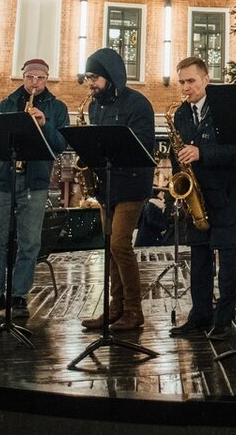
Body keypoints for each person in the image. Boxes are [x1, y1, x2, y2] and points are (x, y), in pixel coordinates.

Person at [0, 58, 68, 321]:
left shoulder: (57, 108)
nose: (35, 83)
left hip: (35, 181)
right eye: (30, 77)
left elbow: (60, 145)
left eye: (40, 78)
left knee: (30, 242)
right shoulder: (7, 103)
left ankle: (19, 295)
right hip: (3, 179)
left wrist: (45, 124)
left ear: (47, 80)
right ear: (23, 77)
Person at [167, 57, 236, 341]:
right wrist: (179, 184)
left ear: (206, 80)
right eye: (182, 82)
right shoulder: (180, 114)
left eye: (191, 81)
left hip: (226, 195)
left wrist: (202, 153)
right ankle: (200, 314)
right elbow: (176, 154)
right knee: (199, 259)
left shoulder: (226, 110)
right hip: (197, 197)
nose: (185, 87)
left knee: (228, 261)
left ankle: (224, 320)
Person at [79, 47, 156, 332]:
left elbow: (144, 145)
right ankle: (115, 309)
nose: (91, 84)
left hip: (133, 182)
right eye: (88, 77)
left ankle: (134, 311)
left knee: (120, 244)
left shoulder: (138, 104)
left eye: (95, 77)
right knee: (109, 247)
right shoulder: (95, 106)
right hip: (106, 185)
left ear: (111, 76)